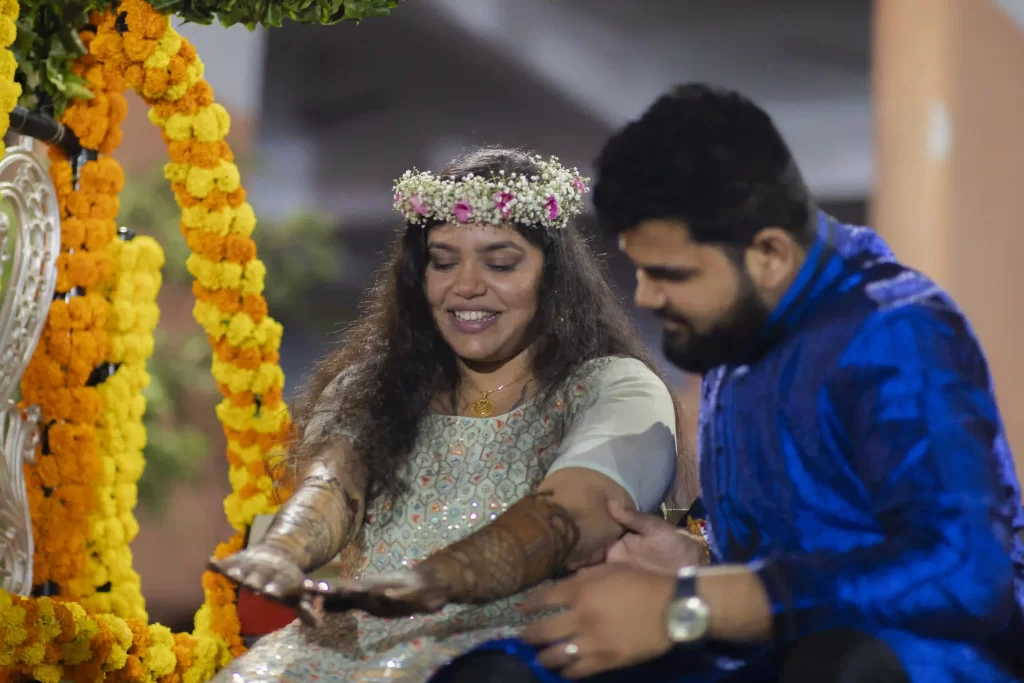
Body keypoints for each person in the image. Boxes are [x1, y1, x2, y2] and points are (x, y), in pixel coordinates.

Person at [438, 85, 1024, 682]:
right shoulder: (739, 325)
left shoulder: (897, 329)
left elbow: (970, 571)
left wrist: (694, 602)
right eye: (641, 269)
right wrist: (696, 563)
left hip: (907, 660)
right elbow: (804, 544)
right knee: (504, 672)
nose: (644, 295)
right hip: (762, 648)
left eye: (671, 274)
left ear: (768, 253)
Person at [208, 147, 697, 682]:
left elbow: (575, 512)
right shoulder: (373, 387)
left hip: (514, 654)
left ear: (552, 275)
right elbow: (330, 488)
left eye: (500, 262)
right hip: (354, 641)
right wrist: (282, 552)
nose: (465, 285)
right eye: (443, 262)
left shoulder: (614, 387)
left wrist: (432, 581)